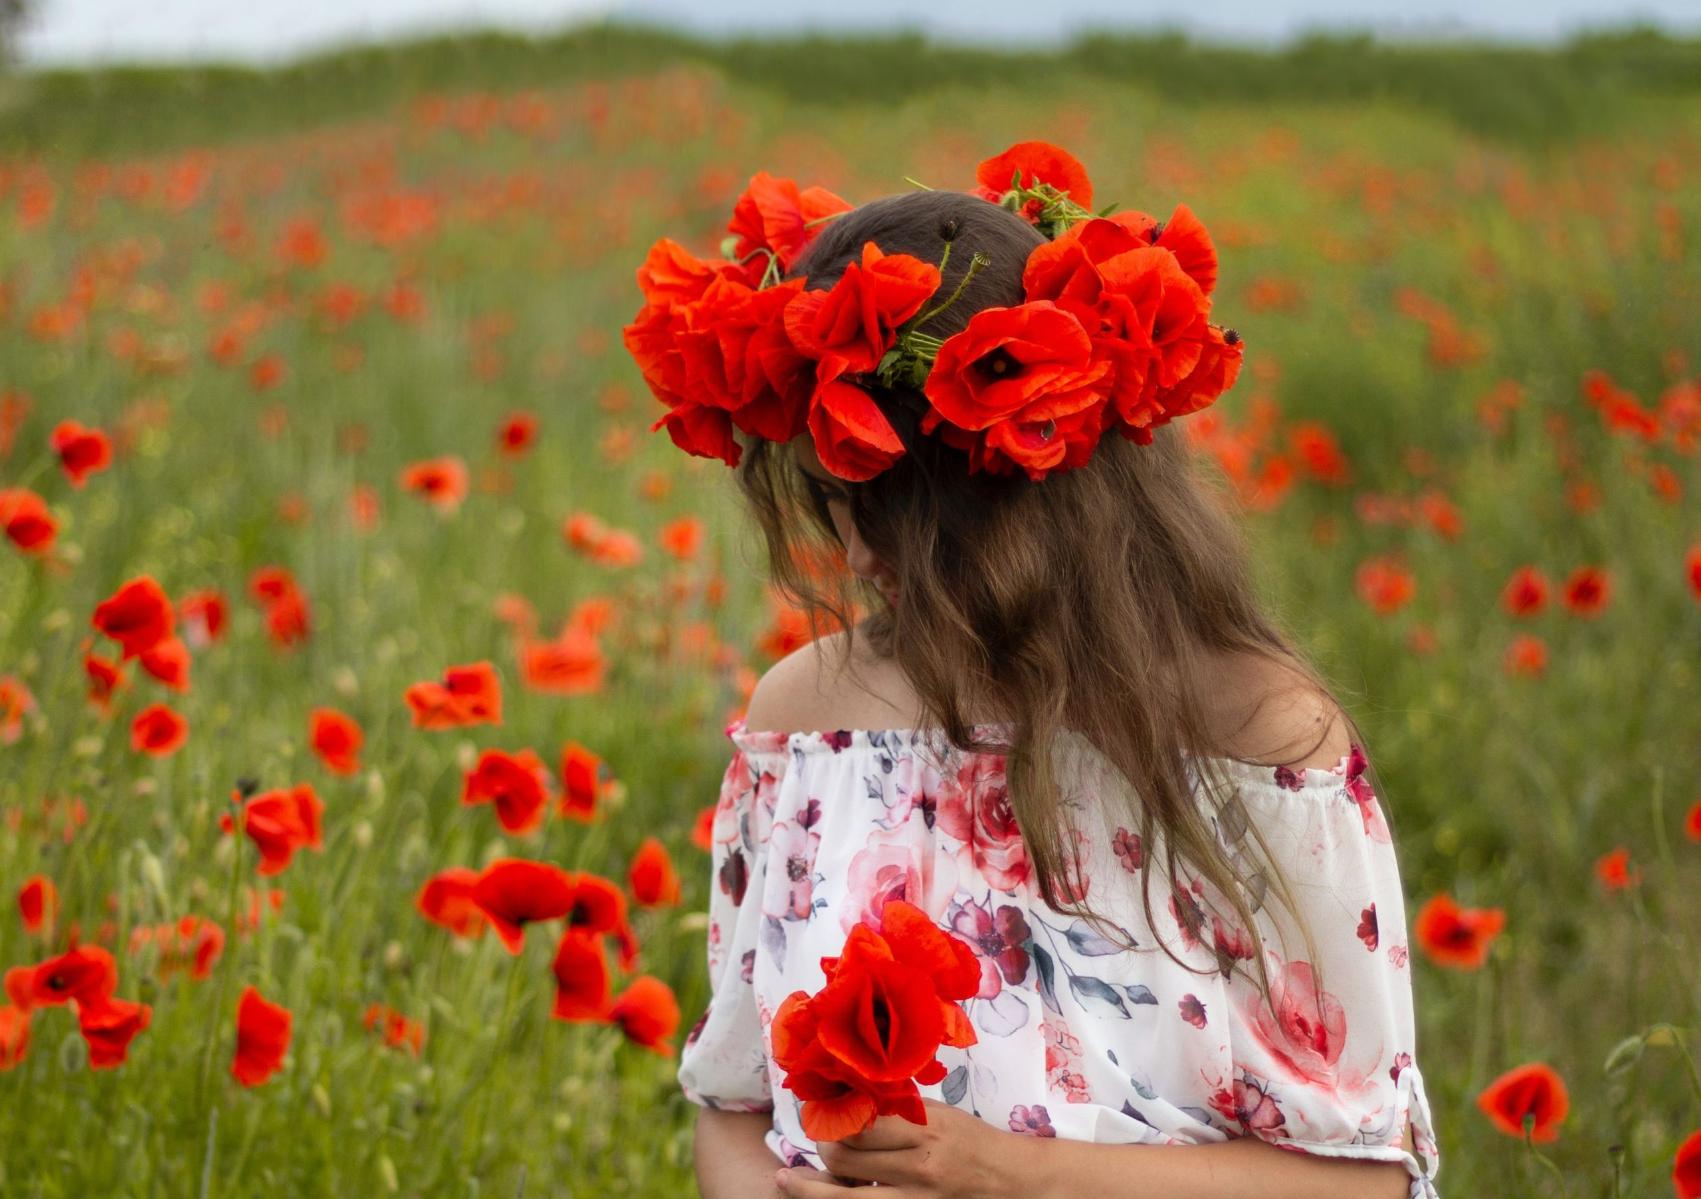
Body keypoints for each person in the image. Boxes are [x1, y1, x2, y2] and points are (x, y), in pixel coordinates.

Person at [626, 145, 1441, 1199]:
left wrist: (1012, 1175)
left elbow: (1367, 1177)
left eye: (874, 502)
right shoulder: (808, 723)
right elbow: (732, 1106)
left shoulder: (1255, 736)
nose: (854, 551)